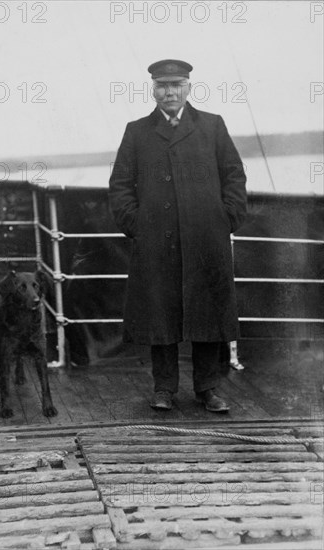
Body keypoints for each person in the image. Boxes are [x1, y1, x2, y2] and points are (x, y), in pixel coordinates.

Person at [109, 59, 247, 412]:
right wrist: (136, 224)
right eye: (162, 86)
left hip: (205, 239)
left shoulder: (212, 126)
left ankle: (208, 388)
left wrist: (225, 218)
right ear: (153, 89)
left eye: (176, 85)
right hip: (157, 240)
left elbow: (234, 176)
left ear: (188, 87)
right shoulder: (137, 131)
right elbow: (121, 185)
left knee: (207, 314)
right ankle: (164, 388)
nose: (169, 92)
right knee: (160, 313)